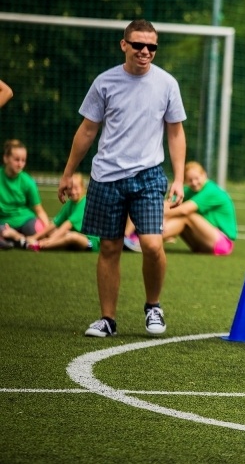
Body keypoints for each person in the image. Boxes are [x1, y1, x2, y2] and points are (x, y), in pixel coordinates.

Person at [58, 18, 187, 338]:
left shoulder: (167, 83)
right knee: (109, 248)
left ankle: (153, 306)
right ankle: (108, 319)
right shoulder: (105, 82)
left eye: (152, 47)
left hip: (149, 175)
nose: (145, 51)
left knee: (152, 245)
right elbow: (88, 130)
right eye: (139, 45)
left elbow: (175, 133)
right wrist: (68, 173)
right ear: (124, 45)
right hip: (106, 177)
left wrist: (179, 178)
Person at [155, 161, 238, 255]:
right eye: (190, 180)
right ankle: (149, 237)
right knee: (176, 212)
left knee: (186, 215)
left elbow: (184, 210)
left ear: (204, 175)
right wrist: (154, 210)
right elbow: (169, 204)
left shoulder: (211, 190)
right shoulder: (188, 190)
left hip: (223, 244)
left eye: (197, 178)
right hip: (200, 245)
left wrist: (161, 215)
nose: (194, 183)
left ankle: (150, 238)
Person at [1, 173, 99, 252]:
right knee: (52, 230)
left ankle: (36, 245)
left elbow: (67, 225)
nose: (73, 191)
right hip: (74, 234)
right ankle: (24, 239)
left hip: (91, 242)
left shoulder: (84, 202)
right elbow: (55, 223)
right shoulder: (70, 204)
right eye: (70, 188)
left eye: (76, 188)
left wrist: (49, 240)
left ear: (83, 188)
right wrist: (35, 236)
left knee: (71, 236)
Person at [1, 139, 50, 250]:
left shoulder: (28, 182)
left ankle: (16, 239)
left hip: (25, 220)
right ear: (6, 158)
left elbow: (39, 210)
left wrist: (48, 232)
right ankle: (20, 240)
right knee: (2, 231)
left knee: (38, 229)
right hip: (3, 223)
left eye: (23, 160)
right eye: (16, 160)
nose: (20, 164)